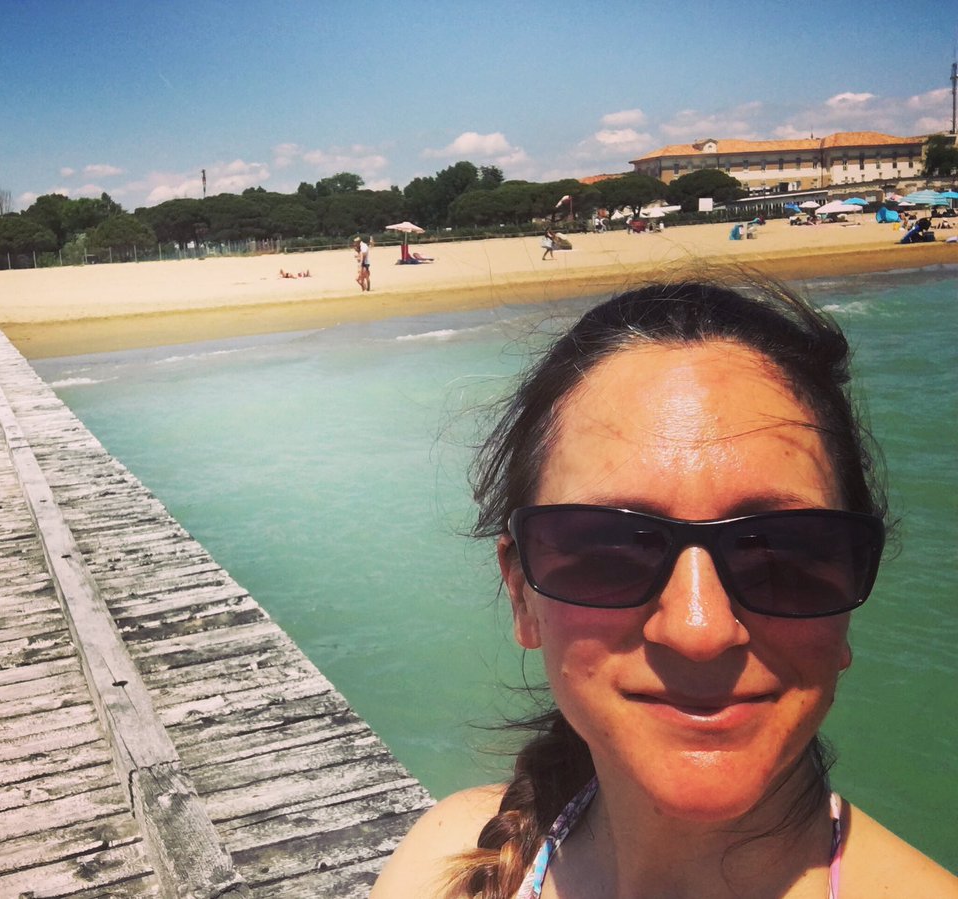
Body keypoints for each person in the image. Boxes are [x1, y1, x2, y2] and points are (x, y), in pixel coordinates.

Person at [371, 280, 958, 898]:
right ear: (522, 595)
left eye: (782, 552)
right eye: (609, 552)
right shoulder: (445, 859)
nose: (699, 630)